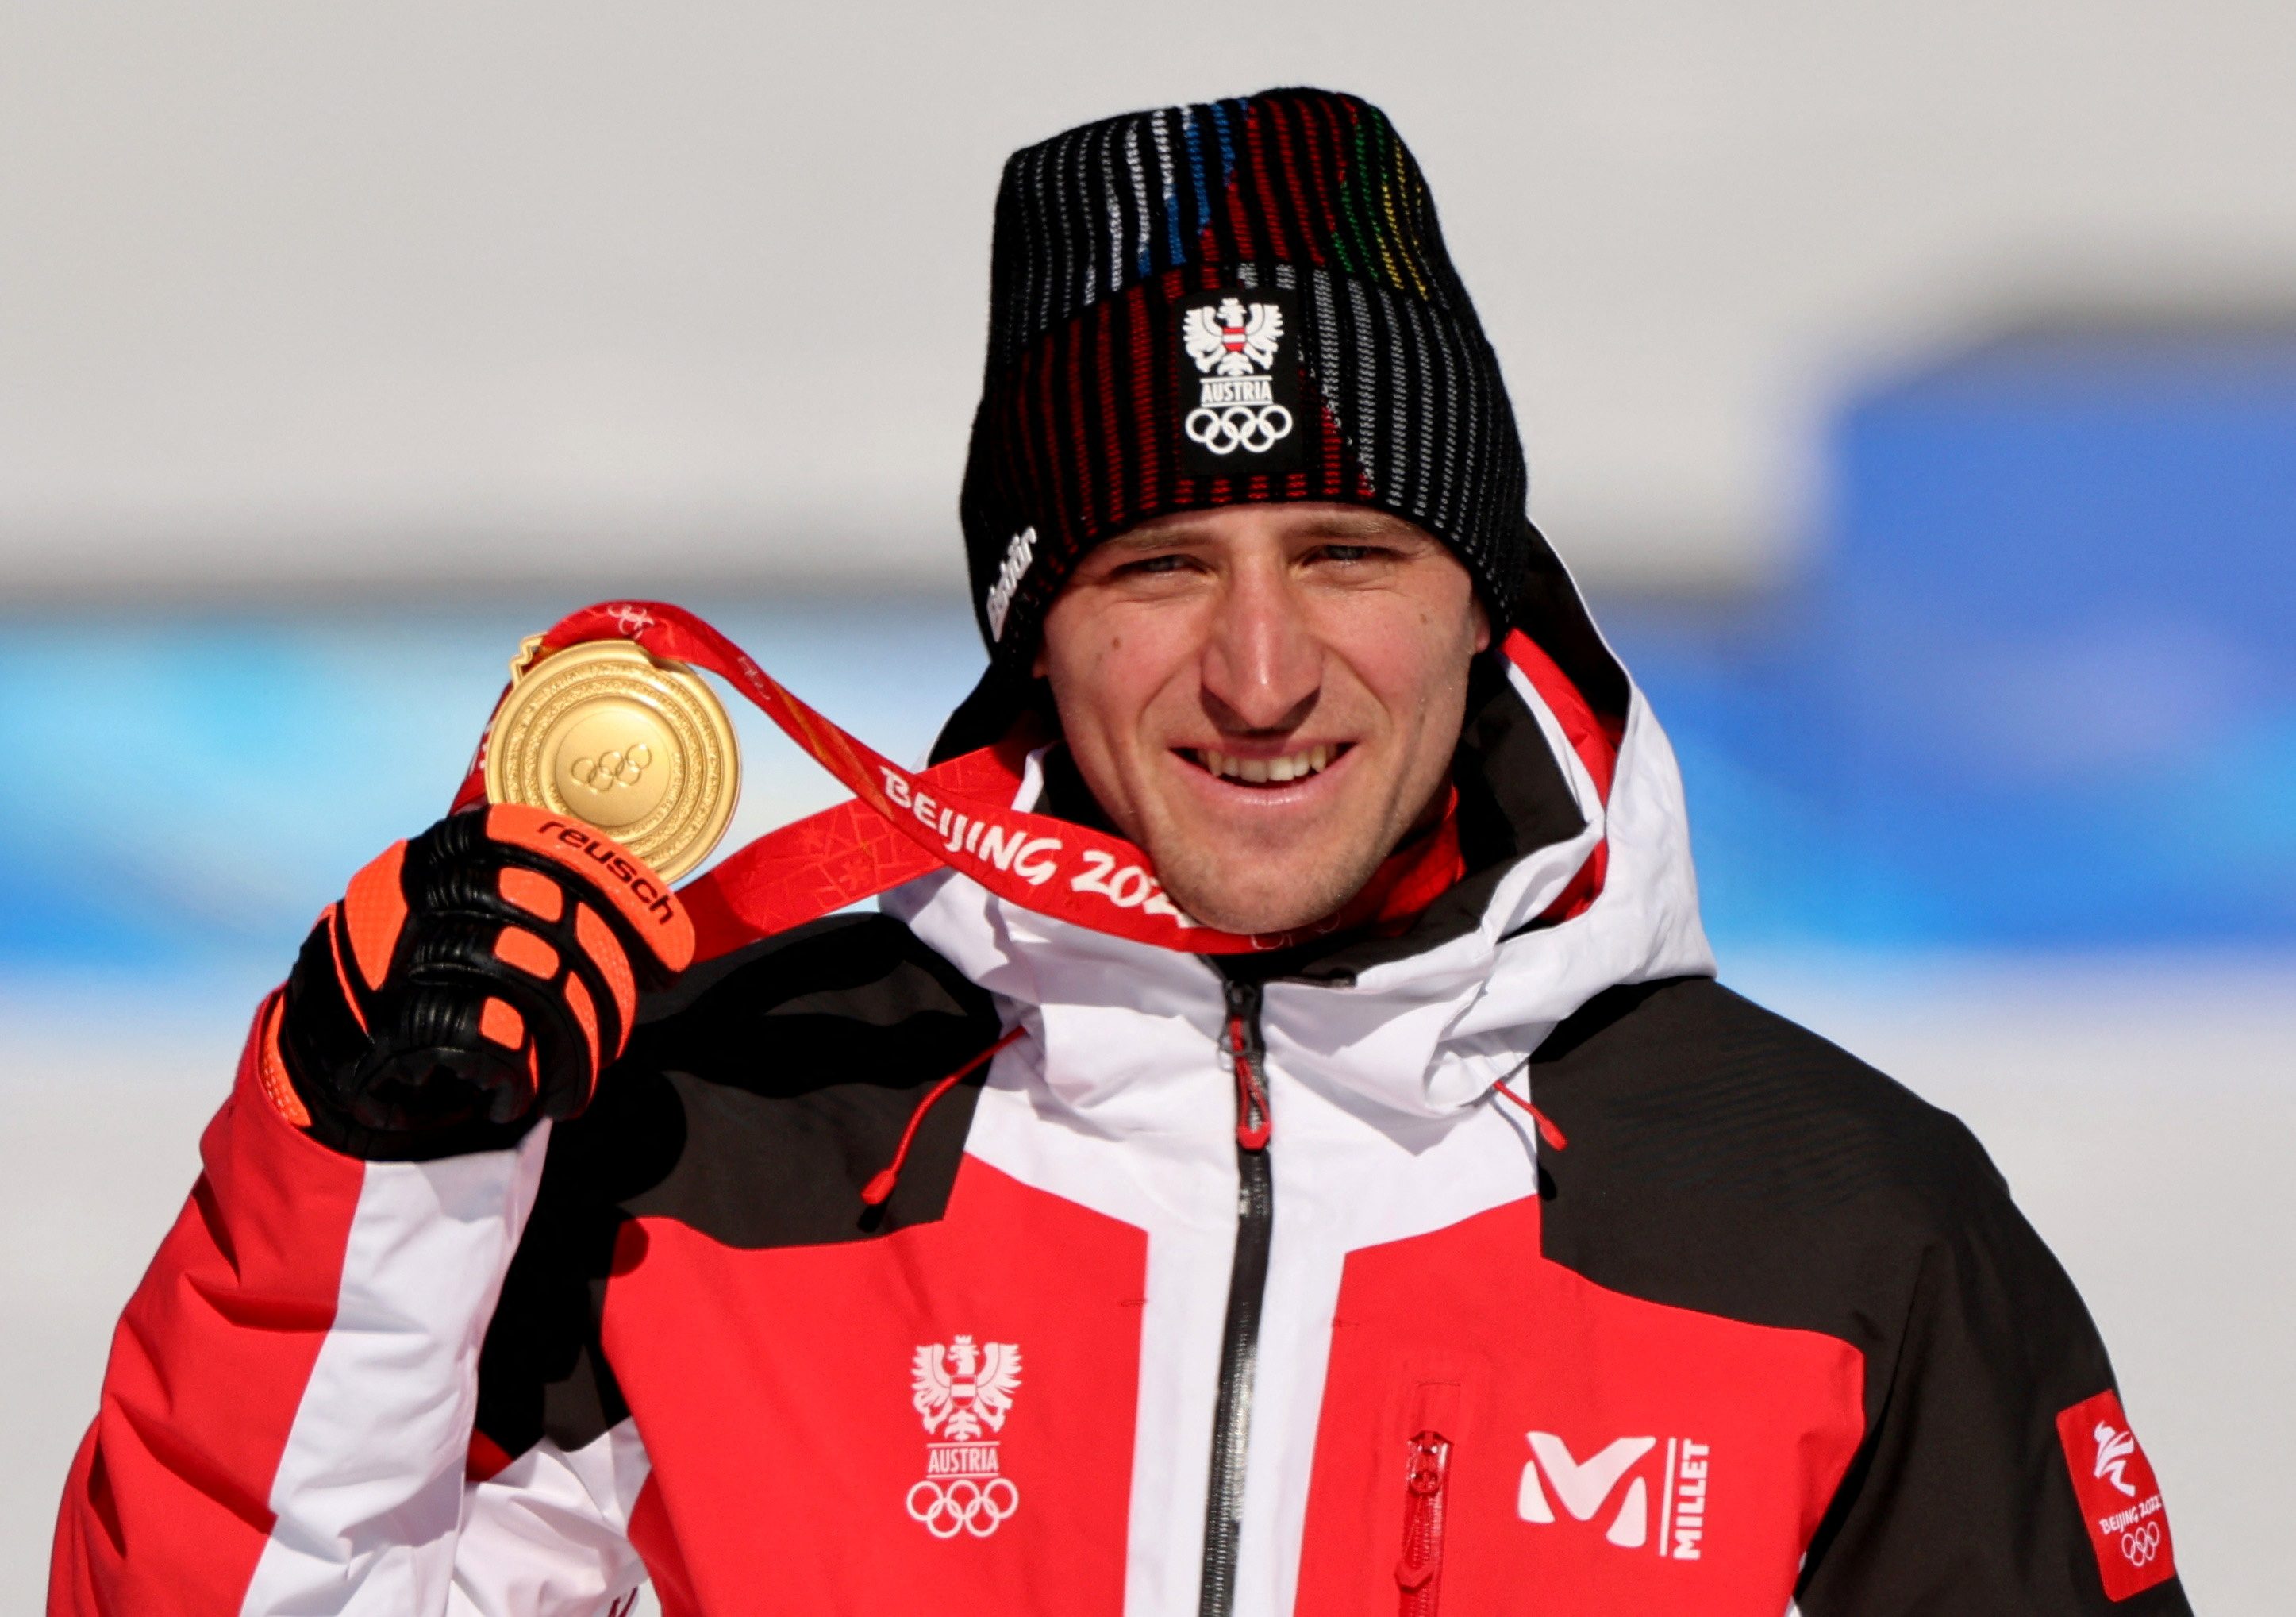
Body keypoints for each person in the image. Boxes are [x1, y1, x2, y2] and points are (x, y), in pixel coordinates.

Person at [52, 89, 2185, 1617]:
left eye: (1349, 552)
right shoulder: (723, 1138)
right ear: (1031, 627)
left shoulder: (1831, 1229)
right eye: (1158, 568)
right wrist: (370, 1161)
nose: (1262, 674)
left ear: (1482, 601)